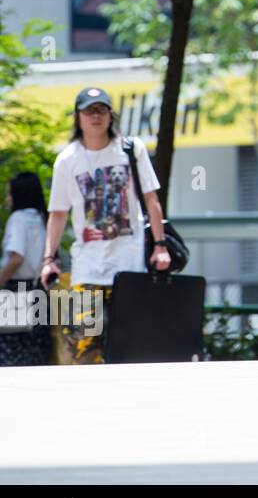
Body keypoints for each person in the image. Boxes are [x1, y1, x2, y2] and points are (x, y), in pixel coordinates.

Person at [38, 88, 171, 365]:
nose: (95, 117)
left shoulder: (131, 150)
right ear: (78, 117)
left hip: (129, 264)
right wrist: (48, 259)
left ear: (111, 115)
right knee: (82, 346)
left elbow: (150, 198)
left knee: (134, 347)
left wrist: (160, 246)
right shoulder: (67, 160)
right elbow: (58, 213)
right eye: (89, 111)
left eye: (101, 110)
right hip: (87, 266)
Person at [0, 172, 51, 366]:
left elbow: (16, 258)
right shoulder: (42, 218)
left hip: (16, 291)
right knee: (35, 352)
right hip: (39, 289)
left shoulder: (18, 219)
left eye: (10, 194)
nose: (8, 199)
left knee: (10, 355)